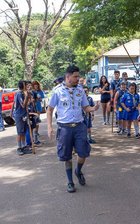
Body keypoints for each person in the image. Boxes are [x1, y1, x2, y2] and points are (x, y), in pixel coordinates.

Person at [47, 65, 99, 193]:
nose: (78, 79)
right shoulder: (58, 91)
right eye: (75, 77)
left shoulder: (80, 90)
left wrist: (93, 109)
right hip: (65, 128)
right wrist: (49, 127)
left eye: (78, 76)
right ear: (68, 77)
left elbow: (85, 107)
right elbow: (50, 110)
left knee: (83, 153)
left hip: (79, 126)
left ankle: (78, 171)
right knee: (67, 155)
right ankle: (70, 181)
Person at [13, 80, 29, 156]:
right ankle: (19, 147)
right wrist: (26, 96)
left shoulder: (22, 93)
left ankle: (24, 146)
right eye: (26, 85)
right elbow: (22, 105)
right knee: (20, 132)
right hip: (19, 115)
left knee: (23, 132)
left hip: (24, 115)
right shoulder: (19, 94)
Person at [32, 80, 44, 144]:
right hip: (33, 108)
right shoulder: (32, 92)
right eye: (34, 84)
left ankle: (36, 134)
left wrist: (39, 98)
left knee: (37, 121)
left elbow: (41, 99)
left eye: (36, 84)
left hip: (38, 107)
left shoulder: (40, 91)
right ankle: (34, 137)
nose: (35, 85)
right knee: (35, 122)